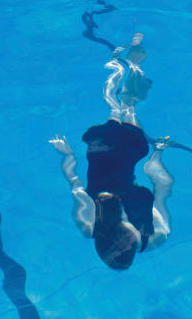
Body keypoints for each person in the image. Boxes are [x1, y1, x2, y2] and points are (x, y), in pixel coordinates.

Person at [50, 34, 173, 270]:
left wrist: (67, 155)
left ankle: (115, 65)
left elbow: (75, 185)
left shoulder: (90, 225)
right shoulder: (156, 236)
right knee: (129, 105)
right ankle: (134, 60)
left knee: (113, 106)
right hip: (130, 156)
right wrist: (157, 154)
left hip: (101, 158)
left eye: (112, 245)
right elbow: (162, 189)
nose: (123, 241)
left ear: (104, 242)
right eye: (127, 247)